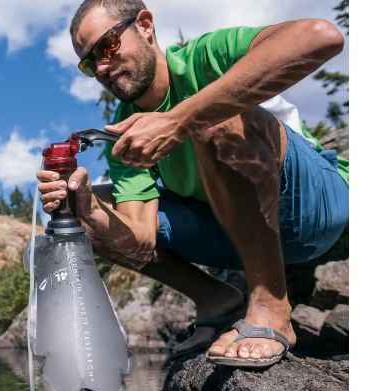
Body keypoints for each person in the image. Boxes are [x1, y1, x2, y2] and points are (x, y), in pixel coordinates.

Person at [37, 0, 348, 367]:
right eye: (90, 63)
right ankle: (217, 301)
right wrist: (87, 207)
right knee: (74, 216)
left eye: (107, 46)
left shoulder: (204, 57)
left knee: (217, 122)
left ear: (146, 25)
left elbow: (321, 37)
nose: (102, 67)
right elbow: (140, 240)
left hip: (313, 209)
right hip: (238, 235)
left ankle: (270, 306)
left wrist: (178, 120)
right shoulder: (125, 130)